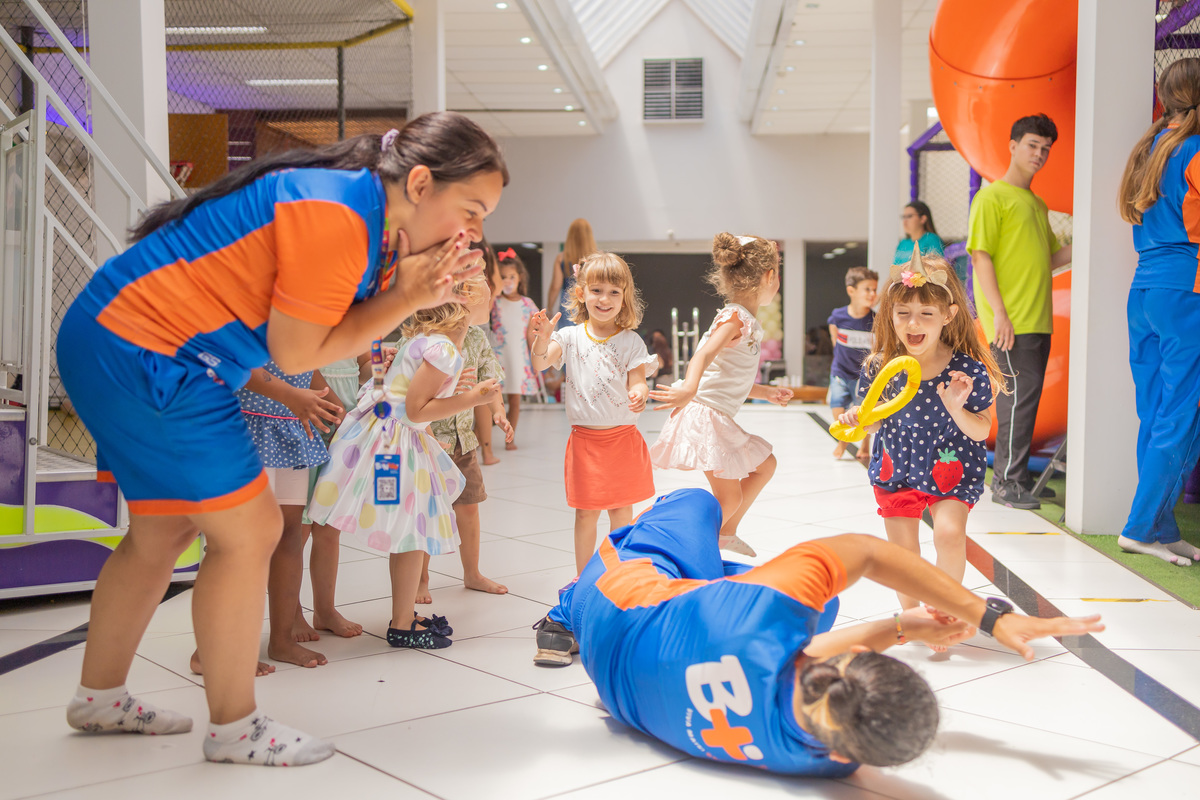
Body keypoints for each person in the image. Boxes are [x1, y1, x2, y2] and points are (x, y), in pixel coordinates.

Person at [56, 113, 506, 766]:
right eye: (471, 211)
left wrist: (408, 289)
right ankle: (234, 727)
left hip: (124, 340)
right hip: (149, 350)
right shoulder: (337, 215)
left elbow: (326, 335)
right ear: (418, 184)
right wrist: (408, 296)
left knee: (163, 532)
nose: (474, 234)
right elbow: (298, 350)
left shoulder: (364, 216)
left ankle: (99, 697)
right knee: (252, 531)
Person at [531, 487, 1103, 775]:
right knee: (817, 610)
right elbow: (806, 673)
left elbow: (869, 552)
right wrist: (901, 625)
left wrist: (990, 616)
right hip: (616, 679)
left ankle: (565, 605)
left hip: (613, 593)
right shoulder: (822, 760)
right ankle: (711, 574)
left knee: (697, 502)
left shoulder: (761, 614)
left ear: (850, 661)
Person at [308, 276, 499, 648]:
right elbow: (416, 410)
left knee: (404, 529)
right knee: (411, 531)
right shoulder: (444, 350)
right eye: (485, 290)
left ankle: (403, 614)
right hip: (397, 443)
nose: (490, 296)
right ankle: (402, 624)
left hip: (380, 436)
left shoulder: (424, 339)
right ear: (466, 300)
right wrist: (473, 399)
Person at [838, 247, 1005, 629]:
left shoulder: (967, 371)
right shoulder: (880, 366)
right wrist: (859, 419)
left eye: (926, 314)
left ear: (948, 315)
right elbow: (874, 423)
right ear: (890, 315)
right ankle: (915, 616)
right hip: (897, 468)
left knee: (949, 535)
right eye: (903, 313)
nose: (914, 323)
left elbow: (981, 430)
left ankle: (944, 610)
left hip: (951, 467)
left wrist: (956, 408)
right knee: (903, 554)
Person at [648, 233, 794, 558]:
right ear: (770, 276)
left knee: (765, 466)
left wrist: (766, 392)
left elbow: (729, 378)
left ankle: (725, 533)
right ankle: (691, 550)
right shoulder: (735, 318)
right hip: (705, 415)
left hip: (714, 412)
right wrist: (689, 386)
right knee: (730, 498)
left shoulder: (744, 319)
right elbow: (702, 356)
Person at [1116, 57, 1200, 566]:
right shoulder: (1194, 148)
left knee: (1155, 411)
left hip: (1145, 289)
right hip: (1185, 288)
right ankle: (1140, 527)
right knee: (1182, 411)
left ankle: (1162, 527)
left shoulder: (1150, 146)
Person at [527, 252, 657, 575]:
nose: (604, 299)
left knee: (621, 513)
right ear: (581, 292)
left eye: (614, 292)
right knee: (585, 514)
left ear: (625, 297)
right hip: (585, 443)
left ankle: (617, 574)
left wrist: (640, 394)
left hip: (622, 441)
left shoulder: (631, 342)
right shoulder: (569, 337)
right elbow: (541, 363)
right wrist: (542, 340)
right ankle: (583, 577)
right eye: (596, 290)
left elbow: (639, 381)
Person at [967, 113, 1072, 510]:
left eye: (1045, 148)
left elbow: (1050, 258)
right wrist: (999, 315)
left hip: (1037, 320)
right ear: (1013, 146)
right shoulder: (991, 198)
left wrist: (1093, 233)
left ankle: (1020, 475)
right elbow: (980, 257)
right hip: (1010, 323)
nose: (1039, 154)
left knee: (1028, 401)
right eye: (1032, 145)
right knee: (1016, 402)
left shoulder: (1036, 204)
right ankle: (1006, 484)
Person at [423, 273, 514, 596]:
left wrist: (498, 412)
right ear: (464, 301)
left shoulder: (477, 338)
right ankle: (420, 578)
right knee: (427, 513)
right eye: (487, 300)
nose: (492, 305)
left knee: (470, 506)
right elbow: (411, 398)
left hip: (464, 441)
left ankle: (472, 573)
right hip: (429, 445)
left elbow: (490, 380)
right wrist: (428, 435)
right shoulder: (427, 338)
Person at [489, 248, 540, 451]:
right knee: (490, 398)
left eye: (512, 277)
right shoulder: (495, 302)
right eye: (503, 277)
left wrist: (536, 361)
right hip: (498, 357)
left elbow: (530, 335)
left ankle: (510, 438)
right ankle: (481, 435)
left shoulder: (528, 304)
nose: (508, 281)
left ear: (520, 278)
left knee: (515, 400)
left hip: (519, 358)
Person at [827, 266, 878, 464]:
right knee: (837, 404)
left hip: (863, 376)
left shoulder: (876, 320)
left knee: (863, 411)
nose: (872, 294)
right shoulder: (838, 316)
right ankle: (843, 440)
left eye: (874, 289)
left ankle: (865, 444)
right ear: (851, 291)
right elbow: (835, 340)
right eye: (867, 289)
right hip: (840, 371)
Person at [475, 239, 506, 466]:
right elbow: (498, 285)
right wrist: (488, 301)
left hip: (457, 319)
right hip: (479, 320)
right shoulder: (484, 249)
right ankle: (486, 452)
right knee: (483, 384)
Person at [546, 218, 597, 329]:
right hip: (590, 299)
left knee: (567, 336)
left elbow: (555, 286)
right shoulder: (597, 258)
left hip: (568, 303)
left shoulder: (561, 258)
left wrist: (549, 308)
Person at [894, 200, 945, 265]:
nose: (905, 221)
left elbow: (934, 268)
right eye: (903, 217)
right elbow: (894, 268)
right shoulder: (903, 243)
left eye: (909, 216)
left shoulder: (932, 240)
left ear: (923, 219)